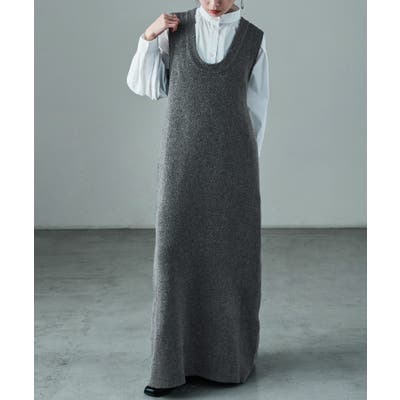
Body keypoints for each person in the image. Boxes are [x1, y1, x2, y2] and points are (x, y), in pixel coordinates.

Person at [126, 0, 270, 397]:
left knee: (231, 263)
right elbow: (146, 86)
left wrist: (245, 169)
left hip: (234, 167)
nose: (213, 3)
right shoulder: (175, 30)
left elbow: (257, 111)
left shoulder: (254, 40)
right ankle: (169, 366)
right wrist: (148, 37)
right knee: (173, 258)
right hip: (182, 164)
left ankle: (229, 361)